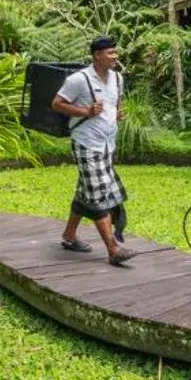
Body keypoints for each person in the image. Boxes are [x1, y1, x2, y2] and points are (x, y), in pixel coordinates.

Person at [52, 36, 134, 266]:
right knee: (99, 195)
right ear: (97, 55)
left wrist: (118, 113)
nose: (115, 57)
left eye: (115, 53)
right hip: (86, 143)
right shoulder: (78, 80)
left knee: (86, 192)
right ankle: (113, 249)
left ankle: (69, 236)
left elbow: (116, 103)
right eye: (110, 53)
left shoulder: (117, 78)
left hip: (107, 144)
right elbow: (56, 104)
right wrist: (85, 111)